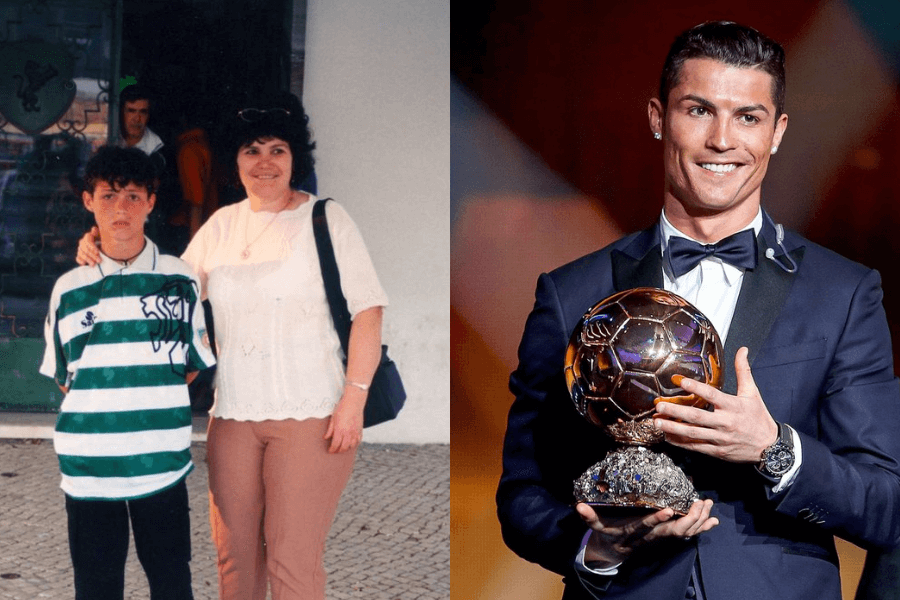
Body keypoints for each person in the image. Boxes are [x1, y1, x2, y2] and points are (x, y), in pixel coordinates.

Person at [496, 20, 900, 600]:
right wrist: (594, 549)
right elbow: (523, 492)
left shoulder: (843, 293)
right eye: (698, 110)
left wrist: (773, 449)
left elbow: (885, 504)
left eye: (748, 117)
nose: (722, 140)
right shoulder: (572, 292)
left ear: (777, 132)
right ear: (659, 118)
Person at [78, 92, 388, 600]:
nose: (264, 163)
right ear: (236, 160)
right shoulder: (221, 226)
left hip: (312, 415)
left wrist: (354, 398)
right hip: (234, 419)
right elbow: (162, 284)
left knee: (291, 560)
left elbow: (369, 312)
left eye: (277, 150)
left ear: (295, 159)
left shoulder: (328, 220)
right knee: (235, 562)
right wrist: (100, 244)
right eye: (251, 151)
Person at [40, 146, 216, 599]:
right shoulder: (68, 289)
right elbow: (65, 376)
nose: (121, 208)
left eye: (134, 196)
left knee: (171, 581)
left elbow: (192, 366)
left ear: (152, 203)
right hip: (90, 469)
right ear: (88, 201)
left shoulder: (180, 281)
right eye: (109, 195)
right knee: (96, 587)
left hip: (161, 462)